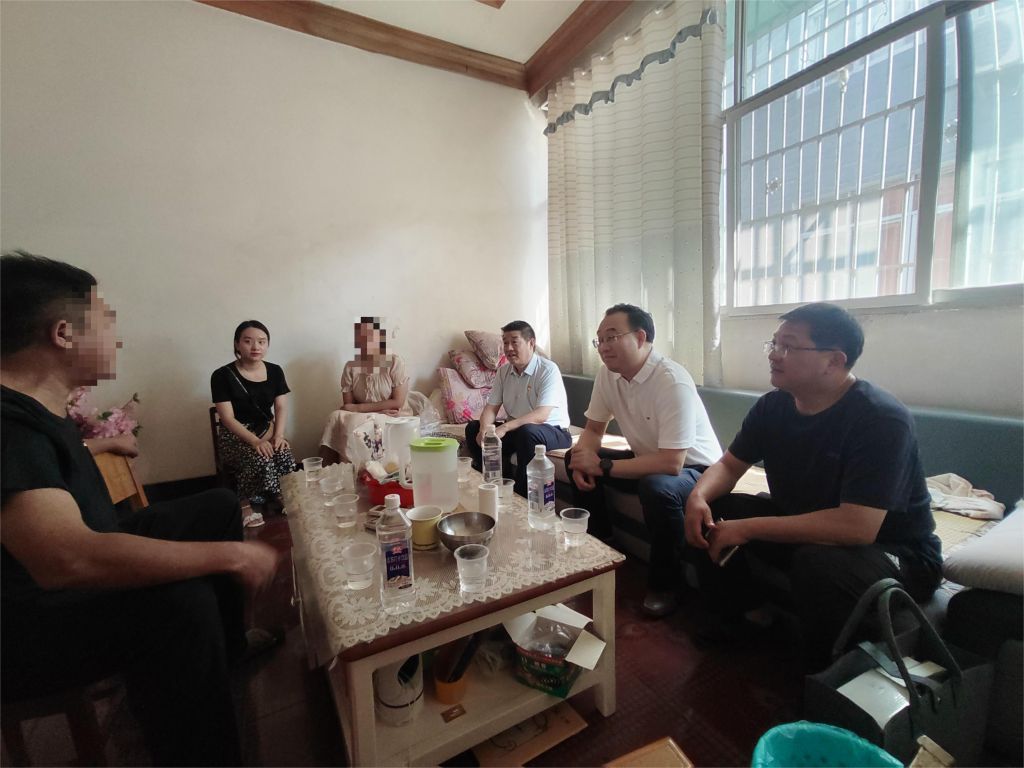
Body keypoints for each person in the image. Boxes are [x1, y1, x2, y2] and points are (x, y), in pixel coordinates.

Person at [1, 251, 280, 766]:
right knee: (181, 601)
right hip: (29, 624)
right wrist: (232, 556)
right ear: (64, 334)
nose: (118, 339)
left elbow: (48, 470)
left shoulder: (33, 408)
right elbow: (66, 559)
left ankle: (225, 653)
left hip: (90, 551)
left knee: (218, 505)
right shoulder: (7, 424)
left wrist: (104, 444)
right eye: (106, 323)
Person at [684, 302, 942, 669]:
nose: (774, 354)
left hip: (895, 551)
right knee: (715, 511)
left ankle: (826, 671)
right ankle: (749, 619)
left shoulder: (880, 418)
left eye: (788, 346)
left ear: (833, 361)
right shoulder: (773, 407)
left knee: (817, 563)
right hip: (808, 529)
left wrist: (748, 528)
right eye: (774, 343)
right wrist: (697, 495)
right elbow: (728, 465)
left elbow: (857, 527)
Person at [567, 304, 723, 618]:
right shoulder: (608, 375)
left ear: (640, 338)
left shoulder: (671, 380)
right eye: (599, 340)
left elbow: (672, 463)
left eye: (612, 337)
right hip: (649, 460)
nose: (603, 346)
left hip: (696, 470)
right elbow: (594, 430)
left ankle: (666, 585)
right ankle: (602, 542)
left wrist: (604, 466)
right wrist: (584, 458)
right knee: (575, 456)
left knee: (657, 487)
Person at [465, 321, 572, 497]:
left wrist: (505, 427)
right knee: (473, 428)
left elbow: (541, 415)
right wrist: (485, 430)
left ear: (531, 343)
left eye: (514, 342)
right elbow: (491, 408)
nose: (508, 348)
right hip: (519, 431)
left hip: (553, 431)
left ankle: (521, 496)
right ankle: (493, 485)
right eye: (505, 342)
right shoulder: (503, 372)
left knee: (527, 432)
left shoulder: (548, 370)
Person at [211, 320, 295, 527]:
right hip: (236, 435)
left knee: (283, 452)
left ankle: (281, 496)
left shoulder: (275, 371)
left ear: (267, 344)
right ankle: (244, 504)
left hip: (267, 430)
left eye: (261, 341)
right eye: (248, 341)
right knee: (259, 457)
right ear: (237, 344)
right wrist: (255, 442)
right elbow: (227, 418)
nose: (256, 346)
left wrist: (279, 436)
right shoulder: (221, 375)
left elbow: (281, 407)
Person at [319, 317, 411, 465]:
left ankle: (358, 468)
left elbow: (397, 402)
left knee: (359, 421)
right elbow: (347, 406)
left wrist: (360, 408)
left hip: (392, 414)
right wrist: (368, 411)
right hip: (365, 414)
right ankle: (327, 469)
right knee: (335, 416)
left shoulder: (395, 362)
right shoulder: (351, 367)